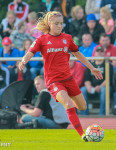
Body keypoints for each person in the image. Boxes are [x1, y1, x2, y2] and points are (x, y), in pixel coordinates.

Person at [18, 11, 103, 141]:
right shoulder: (42, 39)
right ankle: (83, 135)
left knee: (82, 106)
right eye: (56, 23)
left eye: (61, 23)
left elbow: (78, 54)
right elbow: (30, 52)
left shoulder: (67, 38)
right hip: (53, 81)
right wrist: (24, 60)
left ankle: (69, 108)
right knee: (68, 104)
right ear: (49, 24)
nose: (59, 26)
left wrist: (92, 68)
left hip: (68, 79)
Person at [81, 46, 113, 115]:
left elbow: (108, 79)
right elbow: (86, 79)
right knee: (83, 89)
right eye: (97, 51)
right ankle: (84, 114)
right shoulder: (90, 65)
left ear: (104, 53)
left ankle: (102, 114)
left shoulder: (108, 65)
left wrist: (100, 87)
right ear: (94, 53)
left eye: (101, 51)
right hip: (92, 88)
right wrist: (89, 87)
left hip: (103, 87)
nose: (99, 53)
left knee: (104, 90)